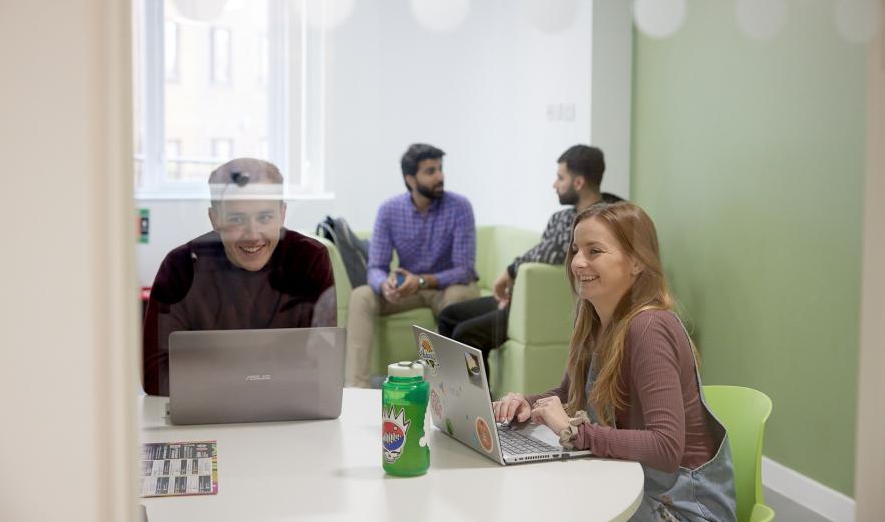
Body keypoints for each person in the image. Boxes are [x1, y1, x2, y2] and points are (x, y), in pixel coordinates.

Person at [493, 203, 737, 522]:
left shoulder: (650, 327)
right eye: (575, 249)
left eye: (595, 251)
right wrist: (526, 403)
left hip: (685, 516)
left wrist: (576, 433)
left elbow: (665, 448)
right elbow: (568, 395)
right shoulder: (593, 320)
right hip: (638, 492)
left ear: (637, 261)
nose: (578, 262)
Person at [142, 158, 336, 396]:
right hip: (208, 418)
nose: (252, 235)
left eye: (265, 218)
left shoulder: (309, 259)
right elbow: (155, 375)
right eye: (236, 219)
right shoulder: (180, 267)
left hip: (284, 413)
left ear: (282, 214)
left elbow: (323, 366)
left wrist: (219, 378)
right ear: (215, 219)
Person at [437, 144, 619, 378]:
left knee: (466, 334)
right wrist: (513, 278)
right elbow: (542, 249)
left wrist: (512, 270)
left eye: (560, 177)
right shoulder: (561, 217)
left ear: (579, 182)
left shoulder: (606, 220)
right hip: (520, 298)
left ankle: (479, 406)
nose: (555, 184)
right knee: (449, 316)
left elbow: (554, 251)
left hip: (540, 307)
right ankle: (445, 389)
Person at [345, 144, 480, 388]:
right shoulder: (389, 210)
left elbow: (464, 269)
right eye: (430, 171)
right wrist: (384, 285)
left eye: (440, 169)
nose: (439, 176)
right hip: (408, 289)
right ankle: (357, 389)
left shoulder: (460, 207)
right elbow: (376, 266)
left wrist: (422, 281)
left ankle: (436, 389)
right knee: (361, 296)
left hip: (445, 287)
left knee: (459, 296)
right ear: (410, 178)